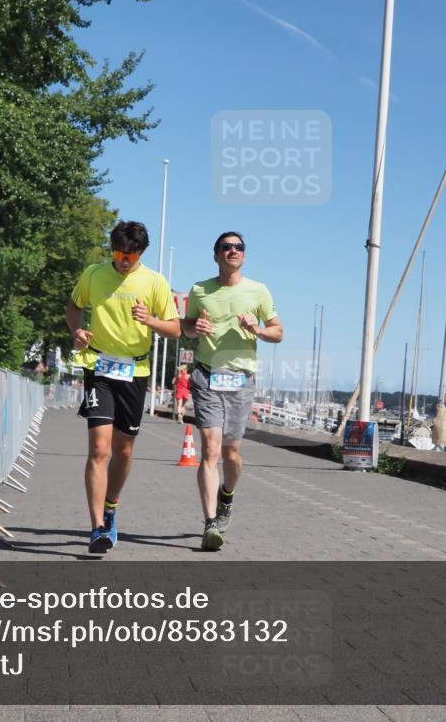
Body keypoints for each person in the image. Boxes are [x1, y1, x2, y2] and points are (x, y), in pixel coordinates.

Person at [65, 221, 180, 553]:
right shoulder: (93, 274)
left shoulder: (155, 282)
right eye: (118, 254)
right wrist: (77, 331)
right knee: (100, 449)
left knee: (124, 451)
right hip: (99, 367)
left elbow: (175, 330)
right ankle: (97, 528)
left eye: (131, 255)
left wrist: (150, 320)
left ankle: (111, 506)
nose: (124, 260)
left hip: (135, 370)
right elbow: (74, 308)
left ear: (141, 253)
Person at [182, 232, 283, 551]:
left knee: (231, 454)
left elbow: (278, 332)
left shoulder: (258, 290)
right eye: (226, 247)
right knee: (210, 449)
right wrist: (194, 329)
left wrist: (258, 329)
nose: (233, 251)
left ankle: (227, 495)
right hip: (206, 375)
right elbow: (186, 326)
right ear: (216, 255)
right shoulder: (199, 290)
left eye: (238, 247)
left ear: (244, 255)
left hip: (240, 379)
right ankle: (210, 523)